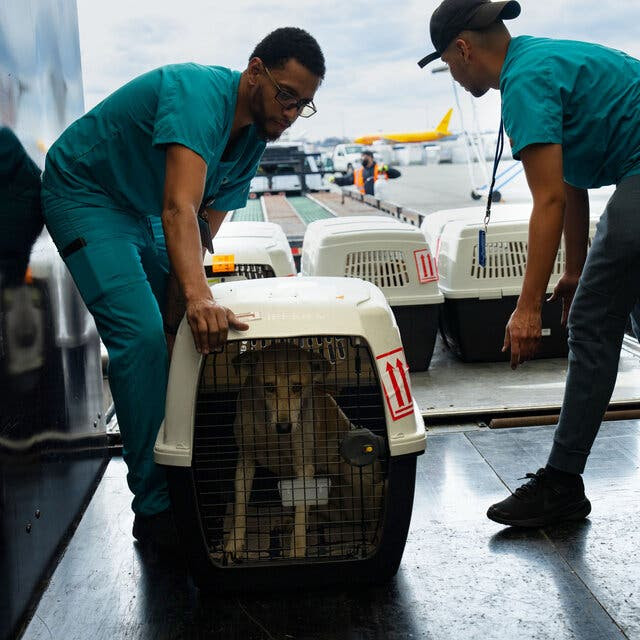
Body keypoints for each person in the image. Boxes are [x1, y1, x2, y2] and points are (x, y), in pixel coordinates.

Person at [41, 27, 325, 547]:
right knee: (143, 339)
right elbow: (179, 207)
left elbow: (198, 237)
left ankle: (187, 465)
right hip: (87, 192)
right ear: (255, 70)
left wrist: (184, 313)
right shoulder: (199, 96)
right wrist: (195, 300)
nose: (290, 112)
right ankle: (155, 508)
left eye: (303, 104)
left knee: (177, 335)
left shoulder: (251, 145)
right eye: (286, 94)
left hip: (142, 206)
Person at [418, 0, 640, 527]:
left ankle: (561, 483)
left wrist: (526, 309)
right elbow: (570, 179)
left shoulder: (524, 82)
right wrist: (576, 267)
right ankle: (562, 482)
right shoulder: (538, 61)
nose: (451, 72)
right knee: (625, 314)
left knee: (591, 323)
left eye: (447, 62)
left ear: (463, 49)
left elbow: (548, 202)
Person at [331, 150, 401, 196]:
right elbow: (347, 179)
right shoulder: (359, 172)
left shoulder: (380, 169)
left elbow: (397, 174)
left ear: (371, 158)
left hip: (379, 200)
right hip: (365, 200)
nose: (363, 159)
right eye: (362, 157)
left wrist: (387, 169)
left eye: (365, 157)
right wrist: (335, 180)